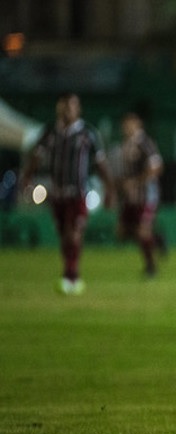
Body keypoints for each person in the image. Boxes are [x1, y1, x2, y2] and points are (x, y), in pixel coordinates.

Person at [20, 92, 114, 295]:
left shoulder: (88, 133)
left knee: (74, 234)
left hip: (78, 192)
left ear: (78, 109)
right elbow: (36, 157)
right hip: (57, 193)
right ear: (58, 108)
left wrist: (109, 189)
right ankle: (70, 273)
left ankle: (72, 276)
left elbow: (101, 163)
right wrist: (26, 177)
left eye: (71, 106)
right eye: (64, 106)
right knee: (64, 235)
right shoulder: (50, 132)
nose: (67, 110)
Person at [114, 112, 165, 278]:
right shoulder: (125, 144)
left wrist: (136, 182)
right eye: (124, 124)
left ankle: (151, 268)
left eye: (130, 123)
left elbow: (156, 167)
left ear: (138, 124)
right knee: (123, 232)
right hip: (130, 197)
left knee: (142, 231)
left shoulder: (144, 143)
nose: (126, 127)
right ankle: (157, 240)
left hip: (146, 196)